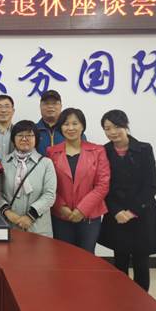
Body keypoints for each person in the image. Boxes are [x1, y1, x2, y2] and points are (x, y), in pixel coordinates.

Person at [98, 110, 156, 291]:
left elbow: (151, 185)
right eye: (107, 128)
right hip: (116, 214)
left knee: (141, 261)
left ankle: (141, 300)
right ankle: (121, 298)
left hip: (142, 212)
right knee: (120, 260)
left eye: (117, 126)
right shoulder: (103, 151)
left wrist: (132, 211)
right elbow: (102, 185)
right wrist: (116, 211)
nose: (112, 132)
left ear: (126, 125)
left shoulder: (144, 149)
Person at [46, 108, 110, 253]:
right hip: (61, 215)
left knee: (86, 256)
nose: (70, 128)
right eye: (66, 124)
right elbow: (49, 185)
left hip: (89, 216)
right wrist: (61, 207)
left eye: (75, 123)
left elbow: (102, 185)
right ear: (61, 127)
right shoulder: (52, 152)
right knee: (63, 256)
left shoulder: (97, 151)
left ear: (82, 126)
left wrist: (82, 210)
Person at [0, 120, 56, 237]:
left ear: (36, 139)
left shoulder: (46, 163)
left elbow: (49, 195)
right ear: (13, 139)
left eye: (29, 135)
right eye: (20, 135)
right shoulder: (4, 162)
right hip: (10, 224)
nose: (24, 139)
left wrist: (30, 216)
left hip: (38, 227)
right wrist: (8, 212)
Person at [36, 90, 64, 155]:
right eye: (46, 103)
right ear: (40, 106)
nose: (50, 106)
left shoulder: (71, 131)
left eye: (54, 103)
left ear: (61, 106)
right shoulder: (32, 131)